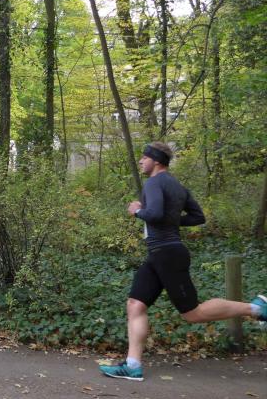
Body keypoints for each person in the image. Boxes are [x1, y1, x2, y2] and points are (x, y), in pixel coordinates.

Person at [99, 142, 267, 381]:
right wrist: (170, 220)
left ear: (156, 160)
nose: (141, 161)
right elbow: (197, 217)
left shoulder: (154, 183)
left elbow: (154, 214)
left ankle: (257, 309)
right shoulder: (177, 186)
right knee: (135, 304)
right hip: (159, 254)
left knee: (192, 313)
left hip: (167, 253)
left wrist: (137, 211)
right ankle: (133, 366)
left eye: (144, 157)